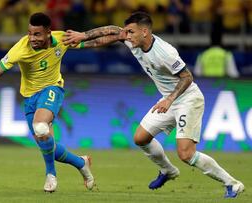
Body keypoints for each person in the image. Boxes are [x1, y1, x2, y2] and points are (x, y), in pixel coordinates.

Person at [62, 11, 244, 198]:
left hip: (187, 99)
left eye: (131, 32)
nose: (127, 35)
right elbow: (112, 32)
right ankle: (168, 171)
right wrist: (83, 39)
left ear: (145, 32)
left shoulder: (165, 52)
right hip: (168, 99)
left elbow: (187, 77)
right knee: (140, 138)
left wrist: (169, 99)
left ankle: (232, 183)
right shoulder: (133, 40)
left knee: (186, 154)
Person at [0, 12, 94, 193]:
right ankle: (82, 163)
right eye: (30, 33)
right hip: (30, 98)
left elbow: (92, 42)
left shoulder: (61, 38)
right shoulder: (20, 49)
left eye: (37, 34)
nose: (31, 38)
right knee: (48, 145)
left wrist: (119, 36)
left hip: (52, 89)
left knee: (40, 127)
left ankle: (51, 175)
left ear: (48, 32)